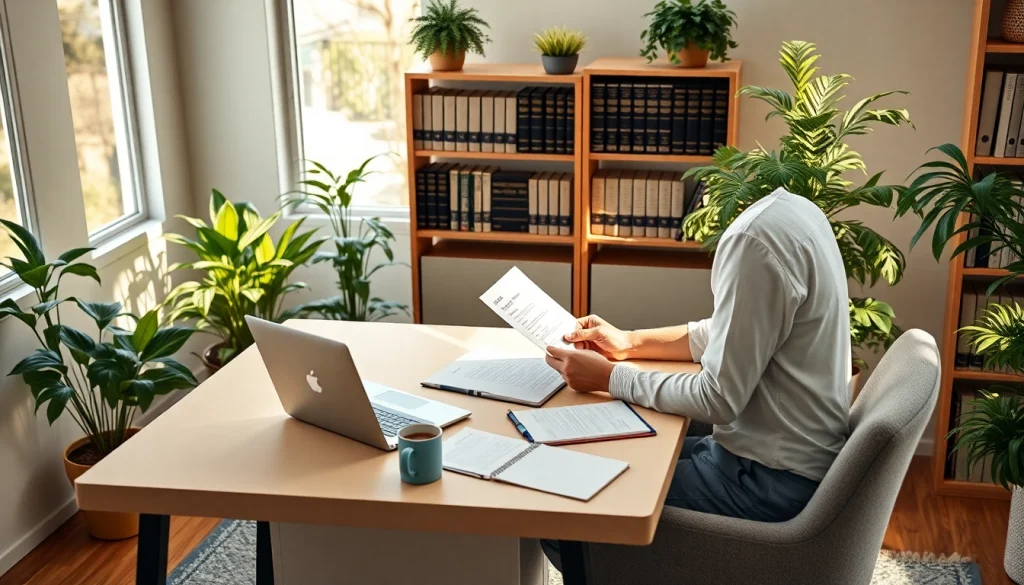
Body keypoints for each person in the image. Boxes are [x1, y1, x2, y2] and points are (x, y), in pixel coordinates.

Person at [541, 188, 851, 571]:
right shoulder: (793, 214)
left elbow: (717, 399)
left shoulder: (752, 244)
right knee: (595, 458)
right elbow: (727, 330)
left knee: (561, 511)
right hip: (767, 463)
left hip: (766, 483)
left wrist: (610, 377)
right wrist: (628, 342)